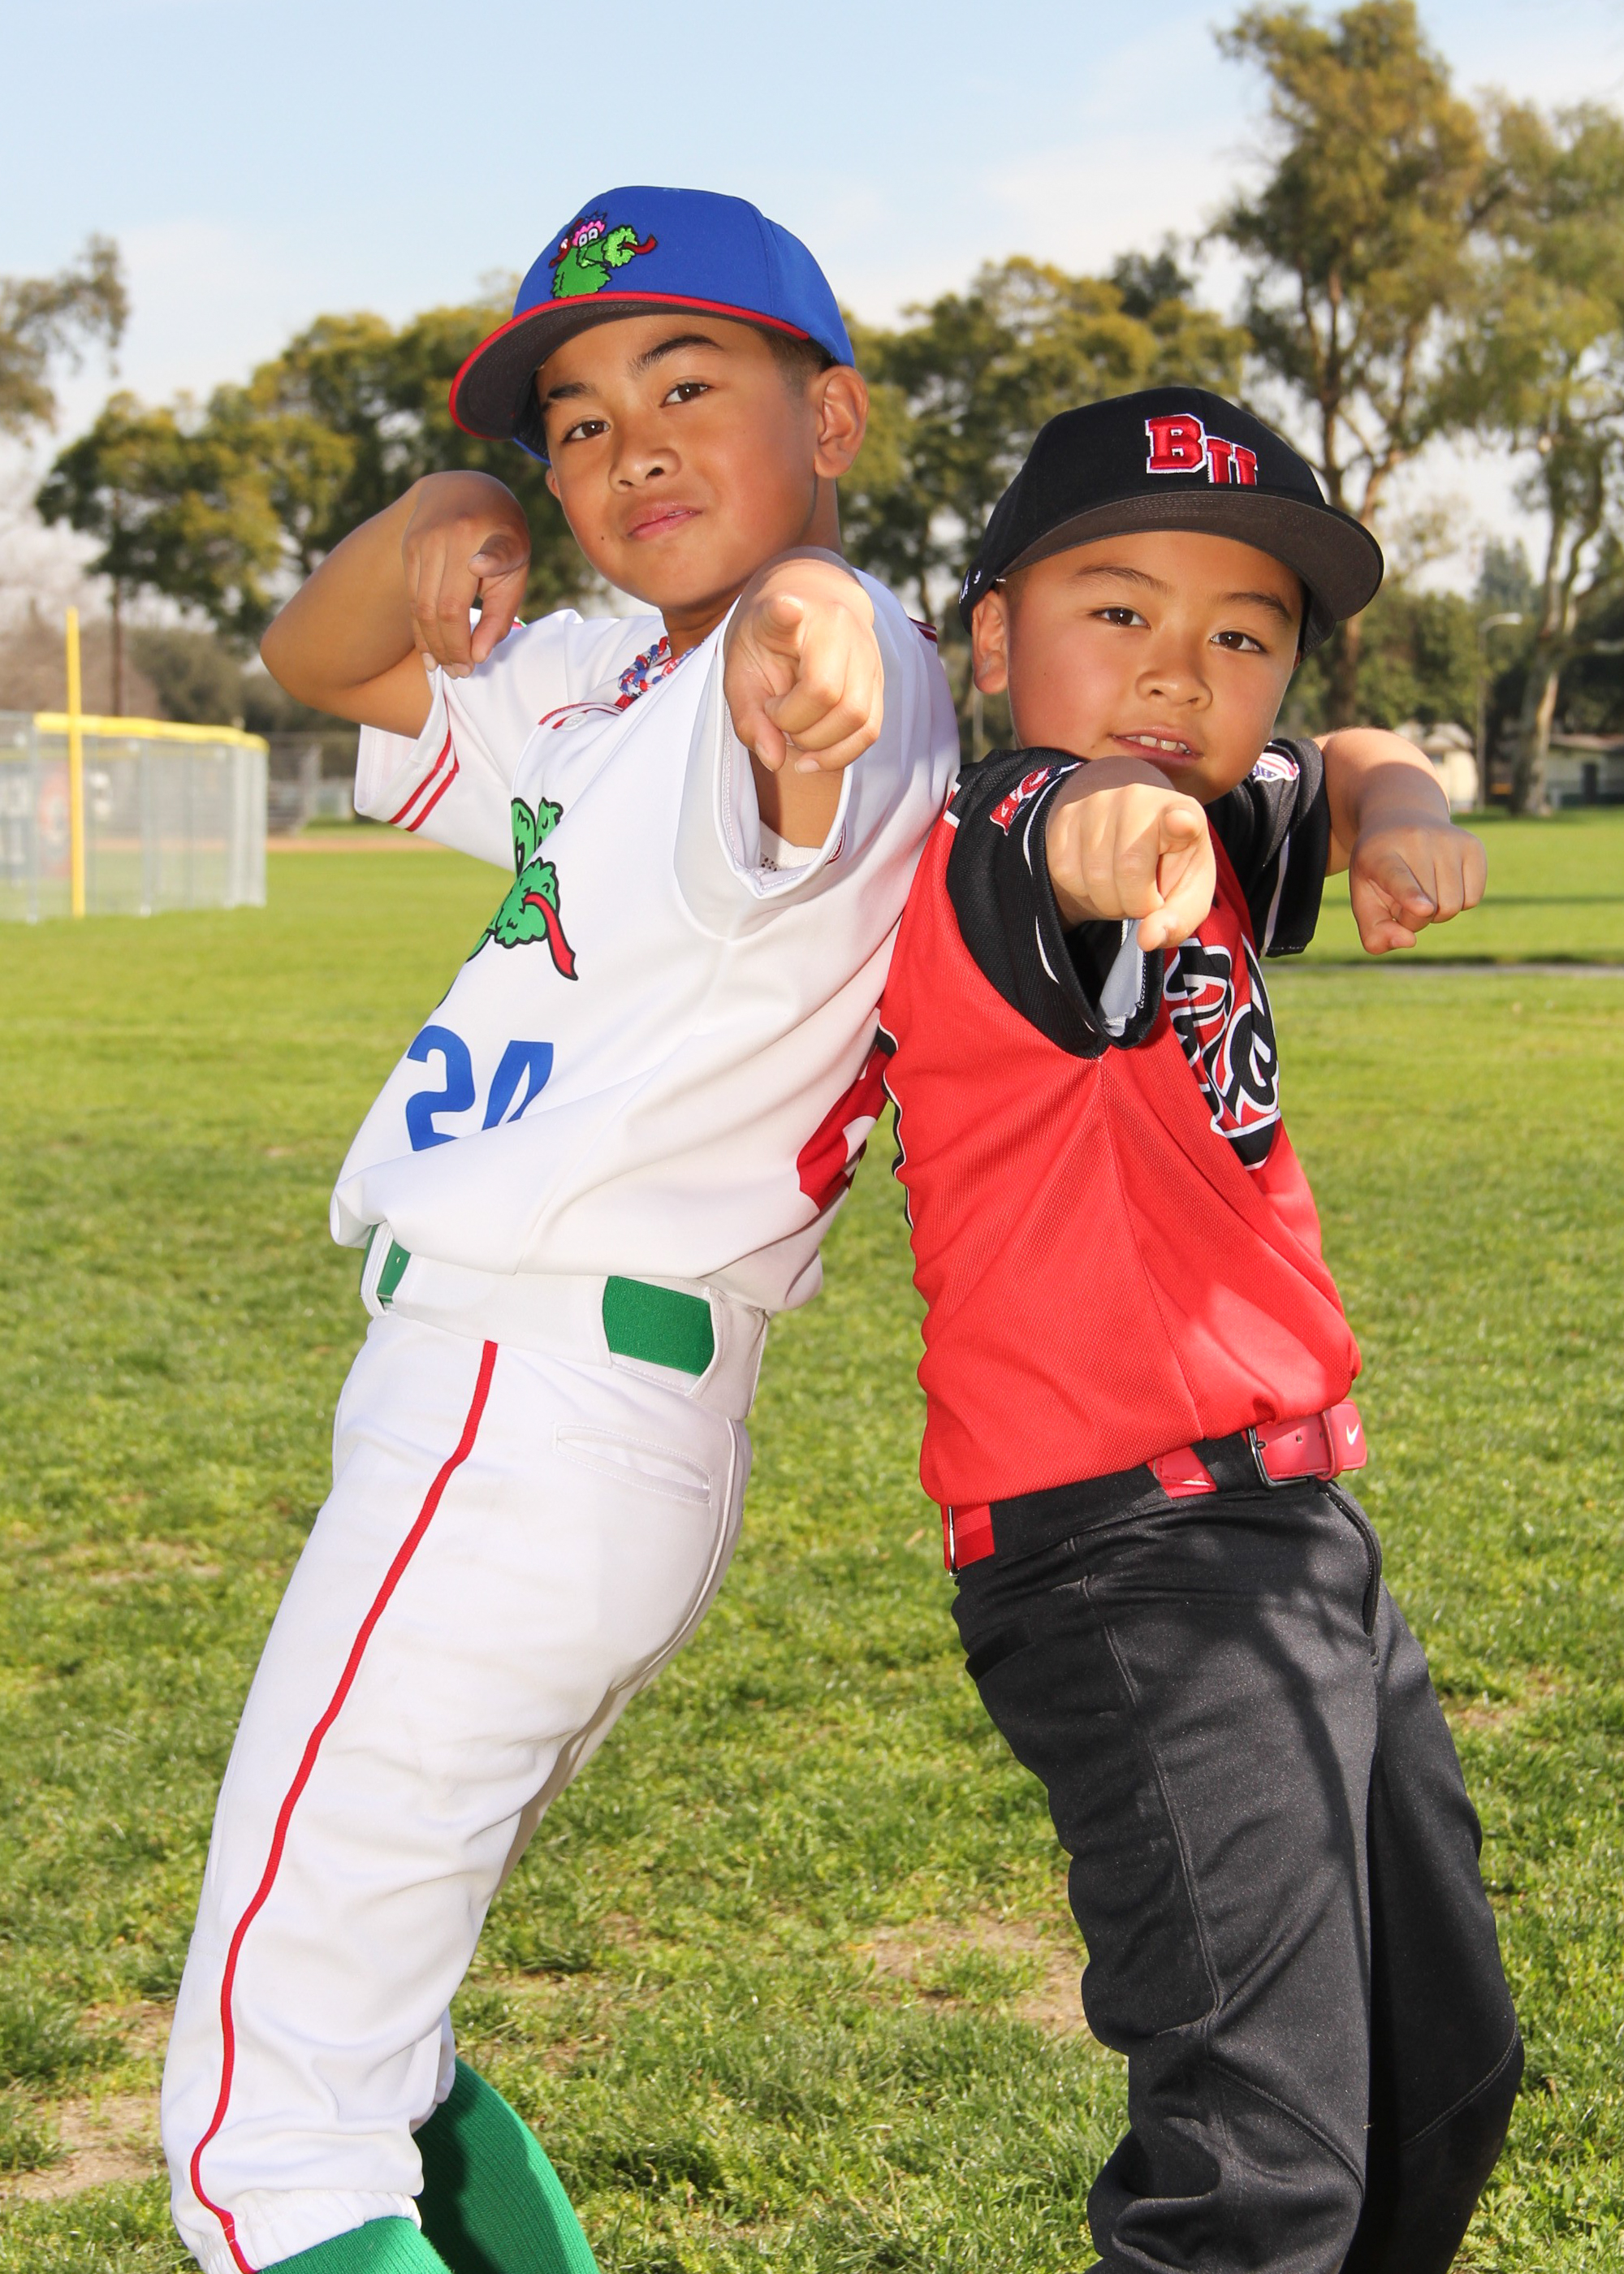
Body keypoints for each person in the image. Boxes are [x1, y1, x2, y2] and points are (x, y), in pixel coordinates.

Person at [160, 186, 957, 2274]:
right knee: (378, 2044)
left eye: (689, 387)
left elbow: (818, 681)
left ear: (833, 418)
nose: (632, 448)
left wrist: (810, 625)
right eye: (580, 422)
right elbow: (316, 657)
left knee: (267, 2131)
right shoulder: (610, 677)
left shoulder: (817, 662)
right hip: (565, 1416)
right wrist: (443, 503)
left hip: (523, 1396)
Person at [879, 387, 1521, 2274]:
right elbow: (1071, 827)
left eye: (1242, 634)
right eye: (1118, 610)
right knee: (1256, 2172)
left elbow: (1342, 751)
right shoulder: (1005, 829)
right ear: (993, 635)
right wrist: (1116, 826)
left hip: (1296, 1533)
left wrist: (1396, 794)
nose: (1179, 666)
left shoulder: (1225, 824)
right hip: (1131, 1553)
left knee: (1440, 2075)